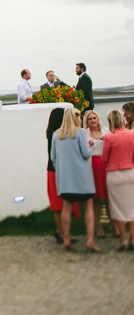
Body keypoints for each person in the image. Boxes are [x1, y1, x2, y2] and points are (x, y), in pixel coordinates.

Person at [51, 108, 98, 252]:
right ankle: (90, 240)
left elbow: (53, 158)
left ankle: (66, 239)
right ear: (76, 117)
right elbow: (85, 153)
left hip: (65, 178)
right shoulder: (80, 133)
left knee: (66, 207)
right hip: (82, 177)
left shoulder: (55, 135)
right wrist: (90, 147)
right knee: (88, 207)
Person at [101, 110, 134, 251]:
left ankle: (123, 239)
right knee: (132, 206)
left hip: (115, 174)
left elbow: (104, 159)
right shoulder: (132, 134)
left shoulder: (109, 137)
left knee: (118, 207)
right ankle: (132, 237)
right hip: (130, 172)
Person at [46, 107, 80, 243]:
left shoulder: (50, 134)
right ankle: (64, 233)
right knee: (63, 204)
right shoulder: (59, 135)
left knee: (57, 205)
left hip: (51, 170)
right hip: (60, 171)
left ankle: (61, 232)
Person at [83, 110, 111, 238]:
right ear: (87, 122)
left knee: (109, 198)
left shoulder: (106, 131)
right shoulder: (84, 133)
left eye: (94, 118)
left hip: (105, 163)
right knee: (95, 199)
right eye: (90, 119)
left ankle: (114, 225)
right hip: (92, 165)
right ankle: (98, 228)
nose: (93, 120)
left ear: (98, 119)